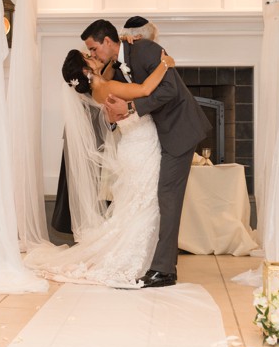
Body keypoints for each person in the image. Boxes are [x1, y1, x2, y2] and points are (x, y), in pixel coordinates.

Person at [23, 45, 172, 287]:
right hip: (141, 147)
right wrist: (165, 64)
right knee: (146, 203)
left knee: (137, 205)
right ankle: (136, 257)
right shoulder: (107, 87)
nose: (92, 56)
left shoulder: (98, 89)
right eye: (87, 56)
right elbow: (144, 89)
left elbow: (112, 70)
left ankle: (146, 256)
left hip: (133, 147)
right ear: (85, 69)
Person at [93, 19, 210, 288]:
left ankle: (164, 270)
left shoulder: (146, 49)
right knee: (163, 198)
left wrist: (132, 109)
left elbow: (168, 89)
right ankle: (163, 265)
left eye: (94, 49)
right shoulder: (117, 63)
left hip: (179, 131)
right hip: (158, 135)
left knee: (168, 197)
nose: (93, 55)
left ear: (108, 42)